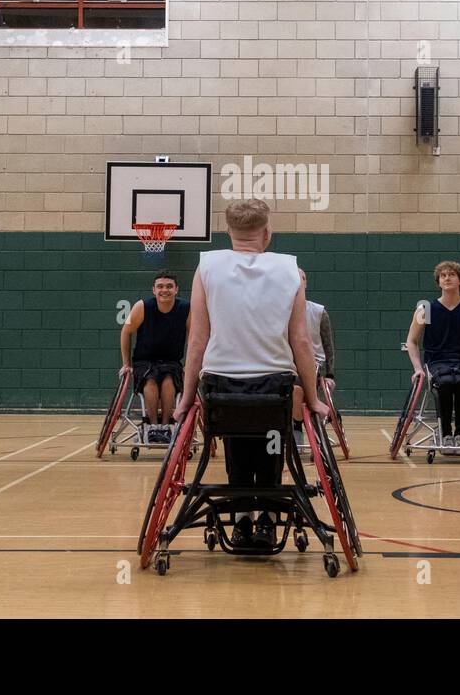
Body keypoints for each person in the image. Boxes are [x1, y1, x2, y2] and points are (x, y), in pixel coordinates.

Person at [173, 199, 326, 549]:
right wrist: (314, 400)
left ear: (228, 232)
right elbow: (300, 341)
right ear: (267, 233)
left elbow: (197, 339)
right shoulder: (290, 269)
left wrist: (185, 398)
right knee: (273, 441)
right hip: (274, 386)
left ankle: (242, 519)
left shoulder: (207, 265)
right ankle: (268, 521)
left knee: (236, 438)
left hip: (221, 386)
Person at [405, 260, 460, 455]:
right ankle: (444, 433)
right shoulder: (425, 309)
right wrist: (418, 368)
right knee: (444, 384)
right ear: (438, 282)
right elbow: (411, 341)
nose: (447, 278)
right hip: (436, 363)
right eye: (443, 275)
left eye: (451, 274)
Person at [118, 271, 190, 444]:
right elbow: (126, 332)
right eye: (160, 286)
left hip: (171, 362)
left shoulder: (186, 308)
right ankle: (151, 427)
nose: (164, 290)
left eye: (169, 286)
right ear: (153, 290)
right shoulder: (142, 307)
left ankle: (165, 428)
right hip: (144, 361)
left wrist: (189, 365)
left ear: (176, 289)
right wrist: (126, 364)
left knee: (168, 382)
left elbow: (196, 337)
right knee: (150, 382)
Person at [292, 268, 337, 448]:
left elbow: (328, 346)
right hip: (285, 364)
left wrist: (330, 375)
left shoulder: (318, 312)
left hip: (313, 365)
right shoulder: (279, 310)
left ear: (305, 282)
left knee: (296, 389)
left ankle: (297, 427)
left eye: (301, 279)